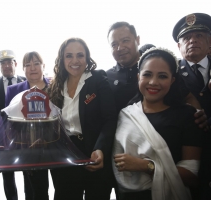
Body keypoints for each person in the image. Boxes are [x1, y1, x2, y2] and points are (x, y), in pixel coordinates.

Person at [113, 47, 203, 200]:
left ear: (172, 80)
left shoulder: (187, 116)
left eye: (162, 76)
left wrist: (146, 166)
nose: (153, 82)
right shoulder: (126, 115)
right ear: (138, 77)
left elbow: (192, 175)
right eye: (147, 74)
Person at [48, 37, 117, 200]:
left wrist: (100, 148)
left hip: (94, 150)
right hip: (66, 154)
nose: (75, 61)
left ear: (87, 58)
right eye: (69, 56)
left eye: (80, 55)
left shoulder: (98, 79)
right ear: (62, 59)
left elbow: (110, 119)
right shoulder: (56, 86)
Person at [172, 12, 211, 199]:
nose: (192, 41)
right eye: (186, 38)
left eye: (199, 36)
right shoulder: (169, 75)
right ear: (179, 47)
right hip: (186, 156)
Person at [5, 51, 50, 200]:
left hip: (55, 146)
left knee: (64, 189)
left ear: (43, 66)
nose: (32, 68)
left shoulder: (56, 87)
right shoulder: (13, 91)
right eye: (27, 65)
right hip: (29, 148)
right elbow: (9, 122)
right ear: (23, 69)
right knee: (35, 192)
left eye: (36, 63)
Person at [0, 49, 26, 200]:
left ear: (15, 64)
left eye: (9, 63)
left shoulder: (25, 81)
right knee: (7, 171)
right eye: (2, 63)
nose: (6, 66)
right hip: (3, 134)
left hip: (23, 134)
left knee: (28, 169)